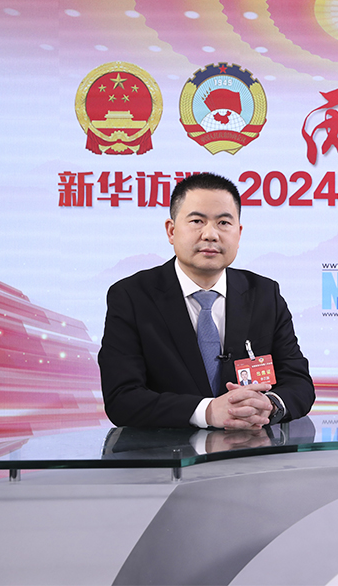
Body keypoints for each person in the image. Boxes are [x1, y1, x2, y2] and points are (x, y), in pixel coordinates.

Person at [99, 172, 315, 429]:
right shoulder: (132, 297)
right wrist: (208, 411)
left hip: (252, 449)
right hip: (166, 450)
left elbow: (299, 383)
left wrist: (270, 405)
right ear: (171, 231)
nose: (210, 234)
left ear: (239, 233)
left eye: (223, 223)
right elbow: (122, 399)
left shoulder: (265, 294)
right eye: (197, 221)